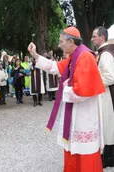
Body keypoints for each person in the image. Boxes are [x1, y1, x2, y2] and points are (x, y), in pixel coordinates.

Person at [28, 26, 105, 172]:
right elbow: (55, 67)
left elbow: (83, 91)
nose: (59, 45)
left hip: (84, 115)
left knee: (84, 152)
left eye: (61, 41)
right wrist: (36, 55)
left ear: (71, 42)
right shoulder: (74, 56)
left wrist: (65, 88)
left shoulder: (85, 56)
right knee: (74, 148)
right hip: (77, 113)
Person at [91, 26, 114, 168]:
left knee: (108, 125)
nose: (92, 39)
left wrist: (94, 84)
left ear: (102, 37)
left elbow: (111, 77)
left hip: (107, 95)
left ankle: (109, 157)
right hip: (106, 93)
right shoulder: (105, 52)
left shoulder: (105, 54)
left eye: (94, 36)